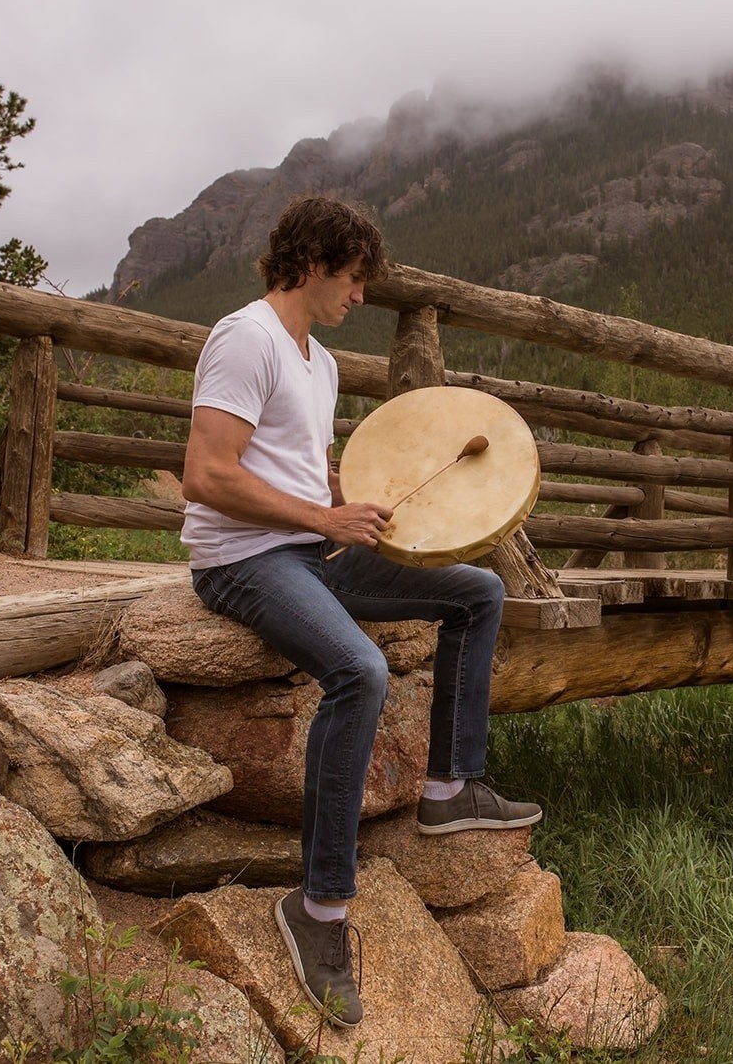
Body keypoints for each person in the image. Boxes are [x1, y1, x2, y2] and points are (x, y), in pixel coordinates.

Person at [179, 194, 541, 1028]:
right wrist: (323, 516)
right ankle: (321, 907)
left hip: (311, 552)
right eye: (351, 277)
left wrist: (355, 499)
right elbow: (207, 474)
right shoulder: (245, 338)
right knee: (360, 669)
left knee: (477, 590)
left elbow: (304, 471)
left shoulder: (322, 362)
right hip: (241, 561)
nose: (360, 295)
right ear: (311, 263)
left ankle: (450, 786)